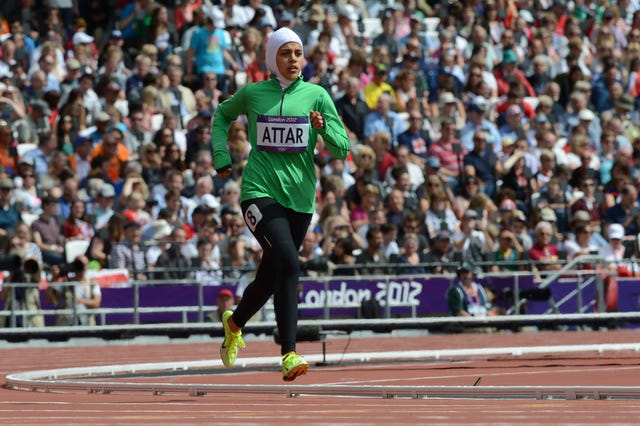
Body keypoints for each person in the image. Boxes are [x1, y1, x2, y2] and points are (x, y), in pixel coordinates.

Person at [211, 27, 349, 381]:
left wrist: (324, 129)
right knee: (289, 263)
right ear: (273, 58)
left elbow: (342, 149)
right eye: (285, 53)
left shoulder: (317, 96)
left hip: (300, 201)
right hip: (259, 192)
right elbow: (222, 115)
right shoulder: (254, 94)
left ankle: (235, 321)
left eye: (298, 53)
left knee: (271, 276)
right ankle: (289, 353)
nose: (293, 60)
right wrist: (221, 154)